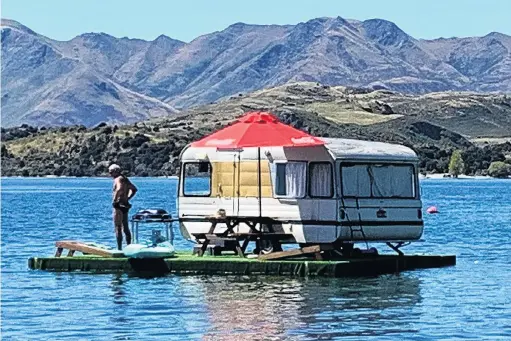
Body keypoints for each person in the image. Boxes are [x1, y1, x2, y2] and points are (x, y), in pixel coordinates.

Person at [109, 164, 138, 250]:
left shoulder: (118, 179)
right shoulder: (125, 179)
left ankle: (119, 248)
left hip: (119, 205)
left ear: (115, 171)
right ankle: (129, 247)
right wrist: (128, 198)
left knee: (118, 227)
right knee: (126, 227)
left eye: (111, 172)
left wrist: (115, 200)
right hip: (125, 204)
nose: (110, 174)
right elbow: (134, 189)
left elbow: (119, 188)